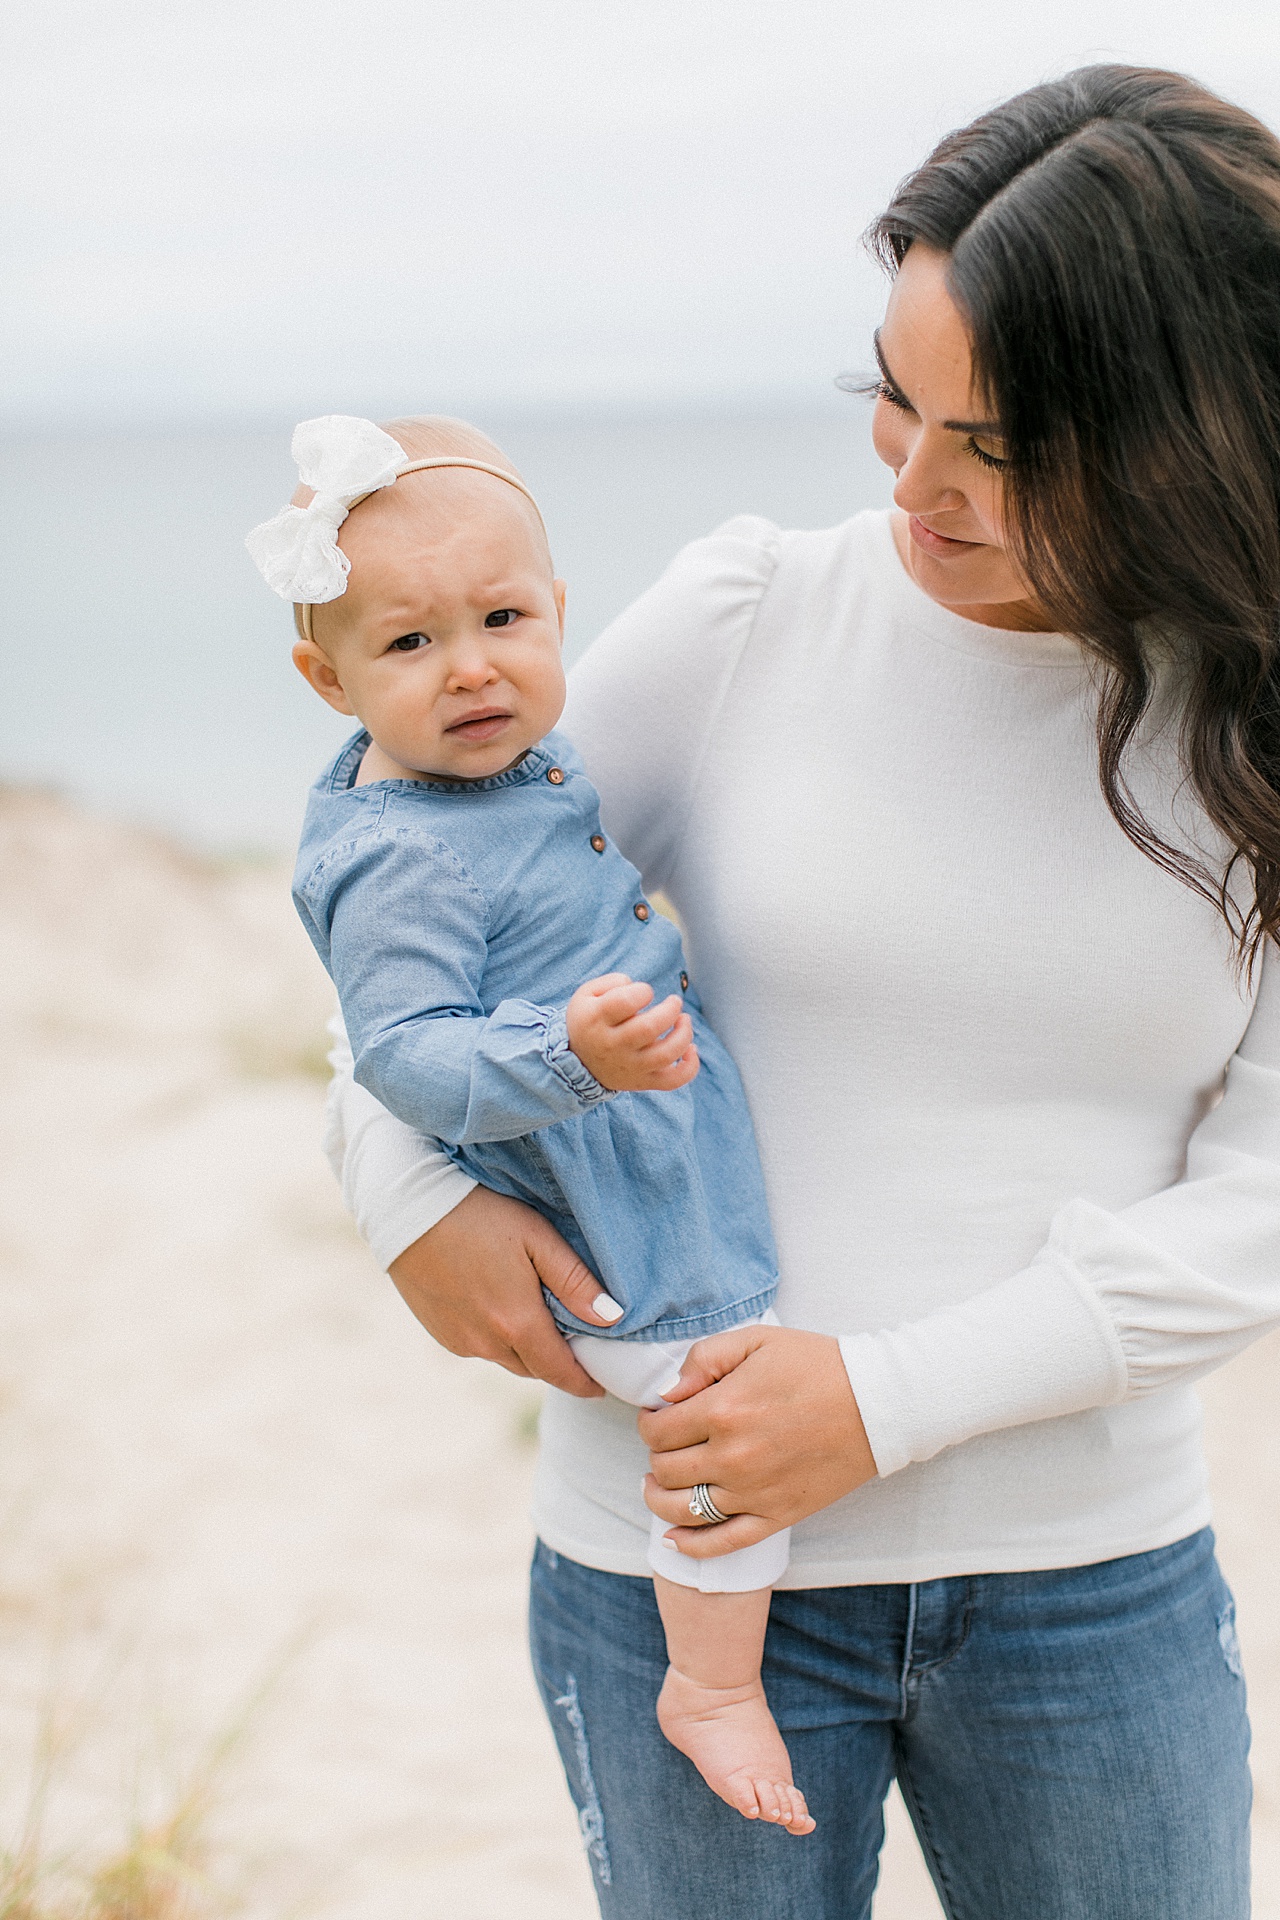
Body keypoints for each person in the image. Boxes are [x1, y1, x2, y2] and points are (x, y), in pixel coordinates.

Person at [322, 66, 1280, 1920]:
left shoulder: (1249, 729)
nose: (918, 487)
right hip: (664, 1567)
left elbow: (1261, 1209)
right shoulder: (758, 614)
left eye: (1000, 446)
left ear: (1197, 432)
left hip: (1090, 1587)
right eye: (895, 402)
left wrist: (885, 1401)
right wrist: (409, 1195)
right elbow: (417, 925)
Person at [246, 412, 817, 1833]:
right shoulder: (399, 853)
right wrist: (567, 1054)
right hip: (598, 1179)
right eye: (410, 645)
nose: (474, 668)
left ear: (561, 612)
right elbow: (404, 1054)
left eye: (503, 618)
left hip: (635, 1122)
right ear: (329, 680)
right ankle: (714, 1682)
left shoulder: (505, 764)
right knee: (709, 1421)